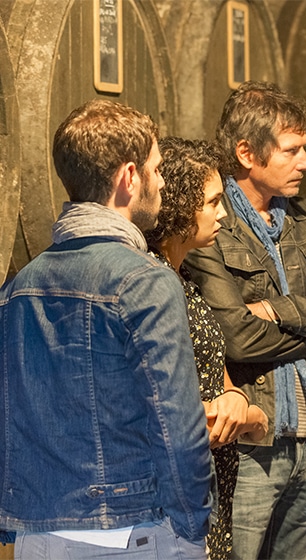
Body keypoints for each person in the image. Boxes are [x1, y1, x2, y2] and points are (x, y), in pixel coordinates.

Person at [0, 100, 213, 558]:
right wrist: (194, 527)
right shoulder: (146, 282)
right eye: (156, 170)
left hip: (38, 536)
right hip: (130, 534)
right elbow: (177, 423)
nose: (161, 181)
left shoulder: (19, 286)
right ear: (129, 177)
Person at [184, 81, 306, 559]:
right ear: (248, 153)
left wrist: (279, 310)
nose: (305, 162)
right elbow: (238, 340)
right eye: (292, 150)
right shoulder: (212, 228)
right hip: (251, 448)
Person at [144, 136, 269, 560]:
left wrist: (235, 396)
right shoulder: (154, 286)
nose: (224, 214)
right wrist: (249, 414)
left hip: (208, 491)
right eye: (213, 202)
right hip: (176, 503)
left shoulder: (186, 283)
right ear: (180, 206)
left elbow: (216, 376)